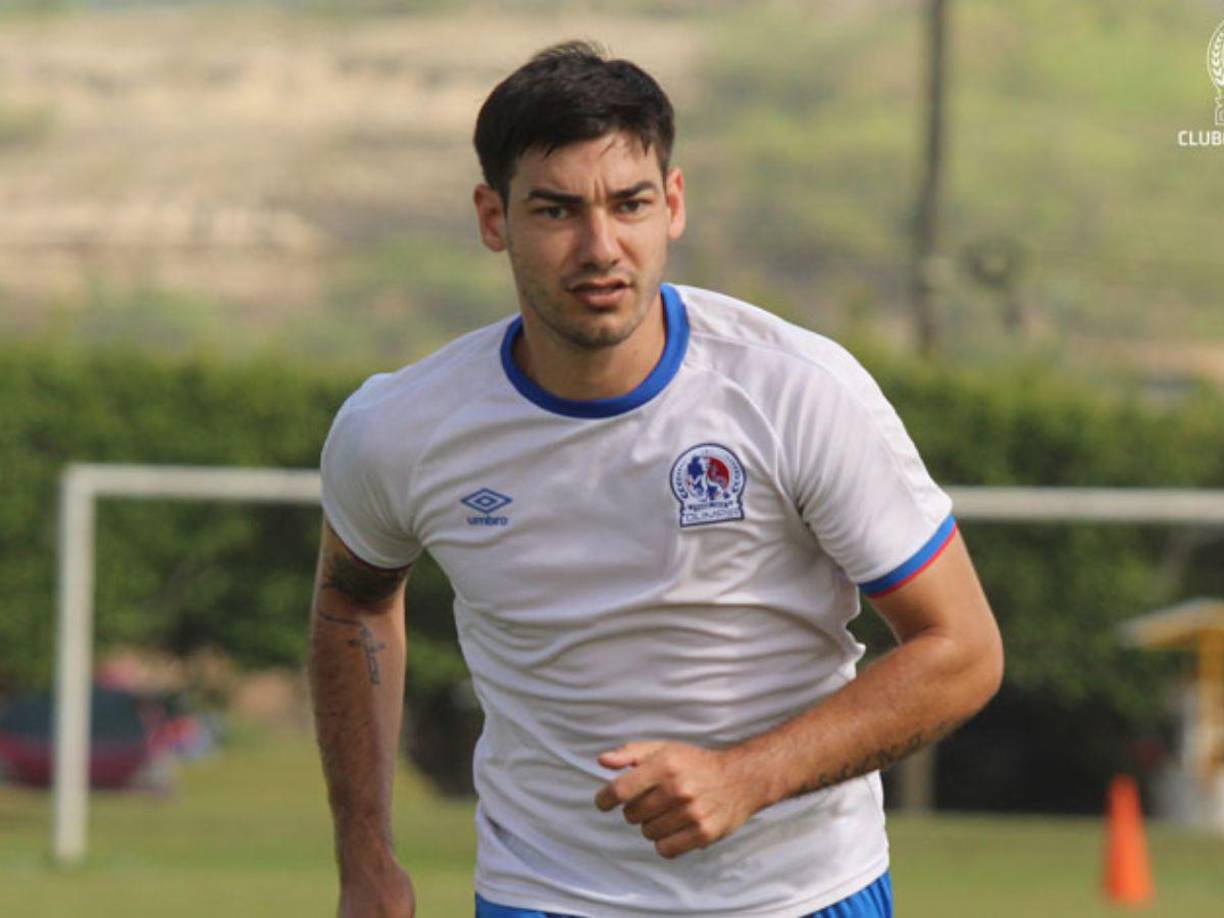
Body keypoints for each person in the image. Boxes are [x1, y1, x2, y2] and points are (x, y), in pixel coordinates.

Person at [307, 40, 1004, 918]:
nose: (600, 247)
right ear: (493, 219)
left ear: (672, 204)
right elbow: (354, 604)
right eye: (557, 211)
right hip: (546, 895)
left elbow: (965, 651)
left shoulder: (796, 391)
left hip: (802, 894)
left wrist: (748, 776)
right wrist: (366, 856)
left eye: (628, 203)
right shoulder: (402, 427)